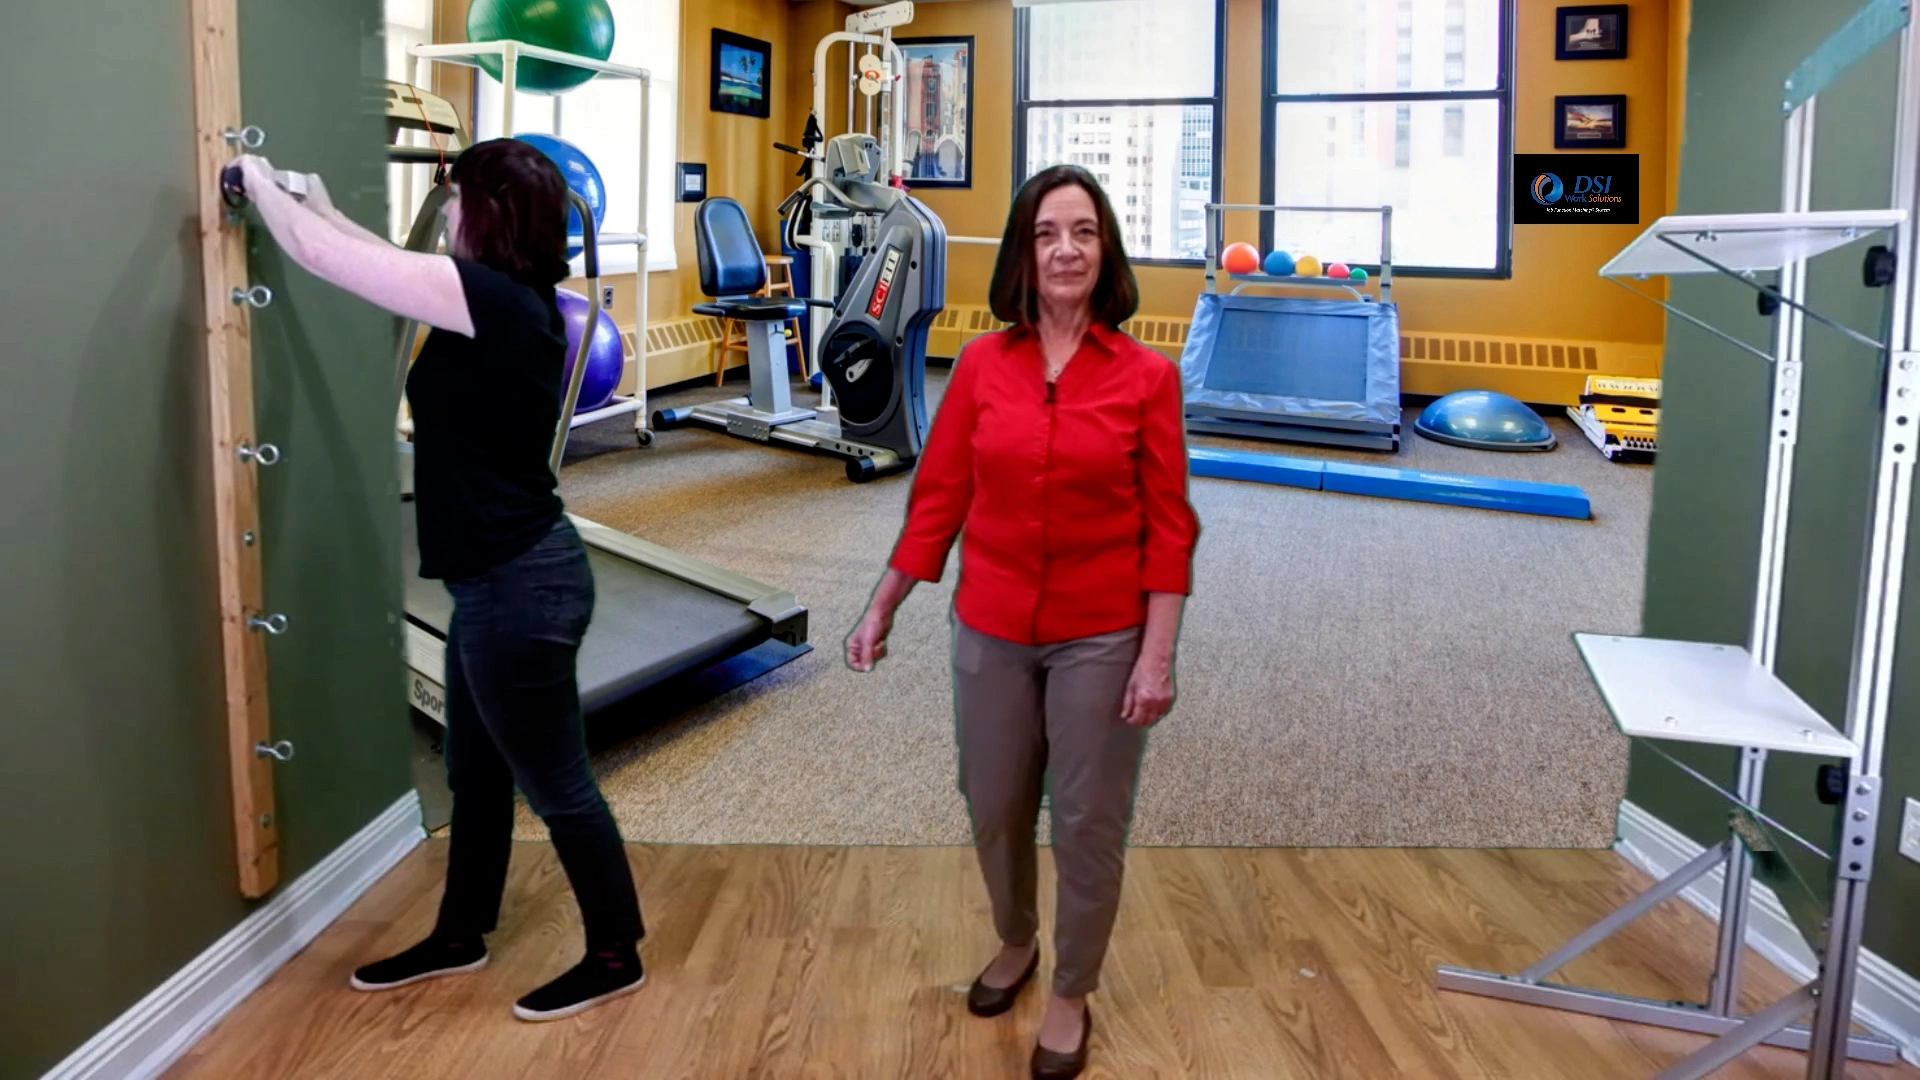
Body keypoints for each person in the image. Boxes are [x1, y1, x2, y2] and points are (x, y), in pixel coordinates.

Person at [228, 140, 646, 1022]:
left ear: (487, 211)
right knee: (475, 769)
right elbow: (376, 257)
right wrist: (316, 193)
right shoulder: (494, 297)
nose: (446, 212)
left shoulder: (489, 299)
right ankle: (461, 934)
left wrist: (257, 185)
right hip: (499, 583)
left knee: (557, 782)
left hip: (521, 586)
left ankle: (616, 952)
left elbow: (324, 261)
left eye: (455, 199)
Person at [846, 164, 1201, 1080]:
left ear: (1105, 251)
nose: (1066, 249)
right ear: (1022, 251)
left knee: (1086, 820)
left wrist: (1155, 659)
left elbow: (1170, 531)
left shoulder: (1147, 378)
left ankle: (1072, 989)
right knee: (996, 803)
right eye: (1047, 233)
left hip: (1102, 631)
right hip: (993, 624)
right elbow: (940, 498)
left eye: (1083, 232)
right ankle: (1016, 939)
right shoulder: (980, 365)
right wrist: (883, 604)